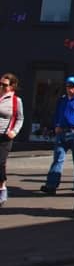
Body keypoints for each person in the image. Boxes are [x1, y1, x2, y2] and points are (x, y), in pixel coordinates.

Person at [41, 76, 74, 195]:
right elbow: (57, 113)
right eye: (68, 86)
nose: (70, 89)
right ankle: (51, 185)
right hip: (62, 132)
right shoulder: (63, 99)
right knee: (58, 159)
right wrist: (56, 125)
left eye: (73, 86)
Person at [0, 73, 24, 206]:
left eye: (4, 85)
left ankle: (2, 187)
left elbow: (20, 118)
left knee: (0, 163)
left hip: (5, 137)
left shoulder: (16, 101)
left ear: (12, 86)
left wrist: (14, 131)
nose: (1, 87)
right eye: (0, 84)